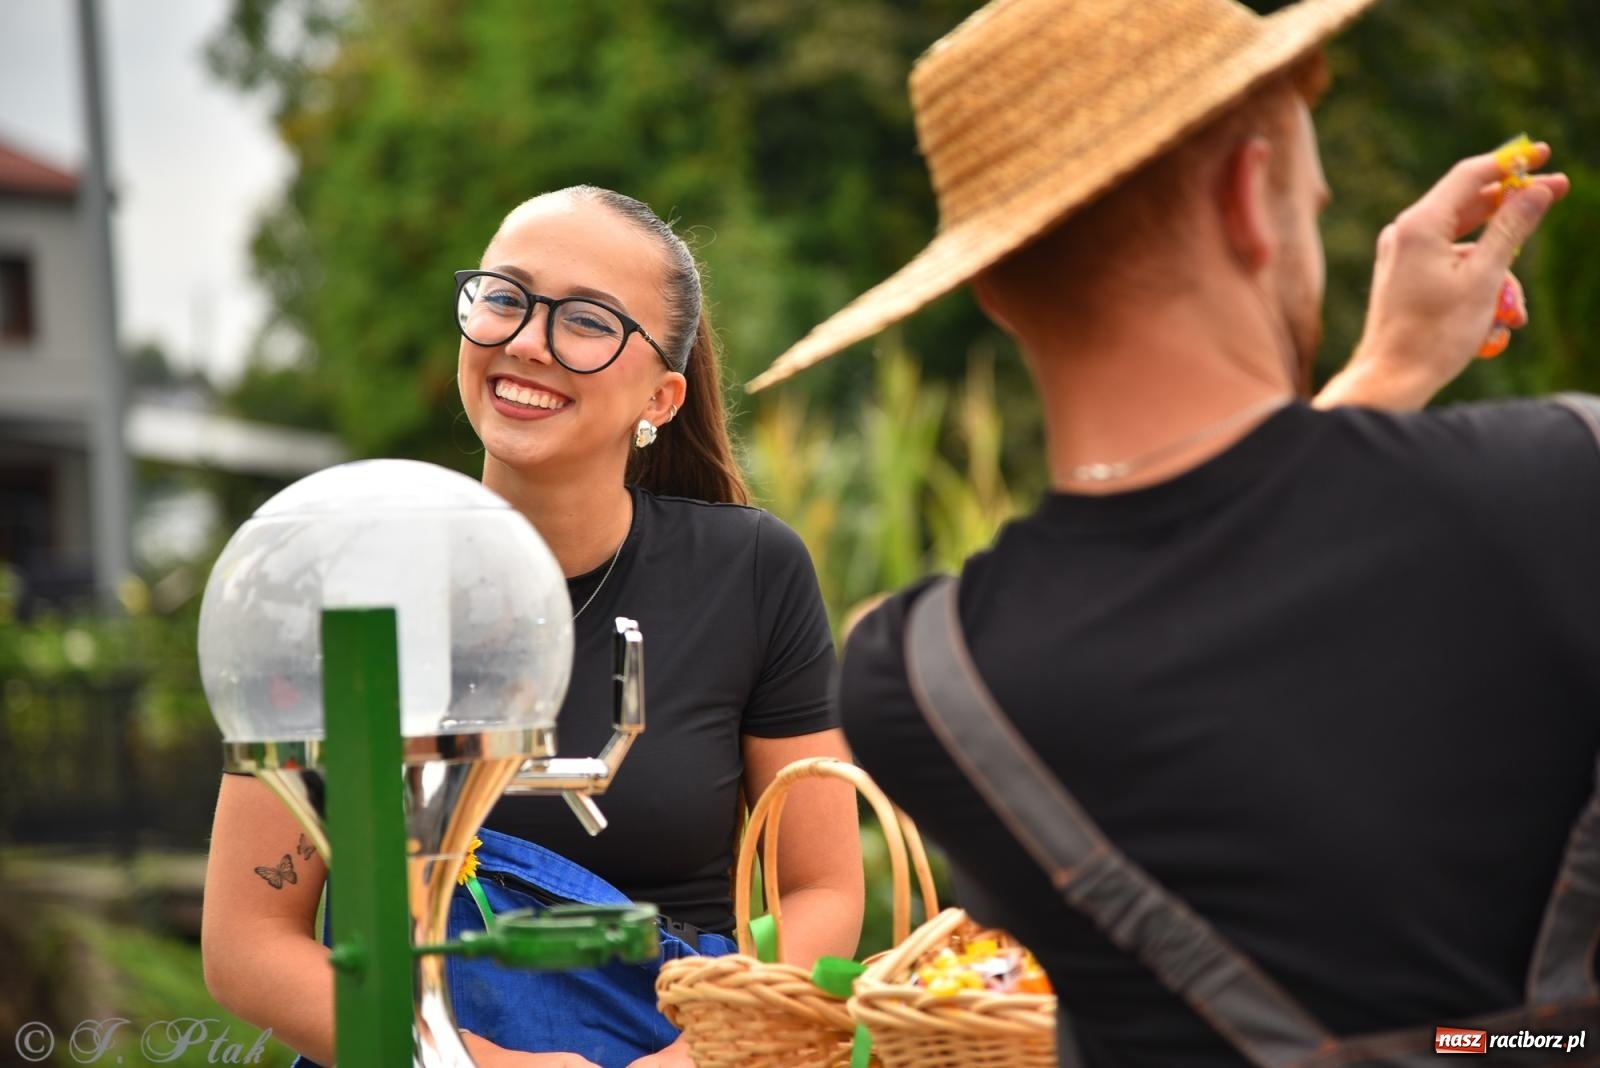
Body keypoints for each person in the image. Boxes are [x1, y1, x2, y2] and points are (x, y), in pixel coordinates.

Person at [748, 0, 1596, 1064]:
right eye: (1307, 198)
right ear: (1249, 199)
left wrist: (1383, 378)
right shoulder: (1569, 483)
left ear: (993, 286)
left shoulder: (919, 682)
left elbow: (1204, 570)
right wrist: (1385, 377)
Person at [203, 185, 864, 1068]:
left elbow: (821, 886)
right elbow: (248, 944)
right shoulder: (344, 582)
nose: (524, 341)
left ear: (662, 398)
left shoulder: (749, 571)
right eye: (505, 298)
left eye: (586, 320)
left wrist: (693, 1059)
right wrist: (475, 1064)